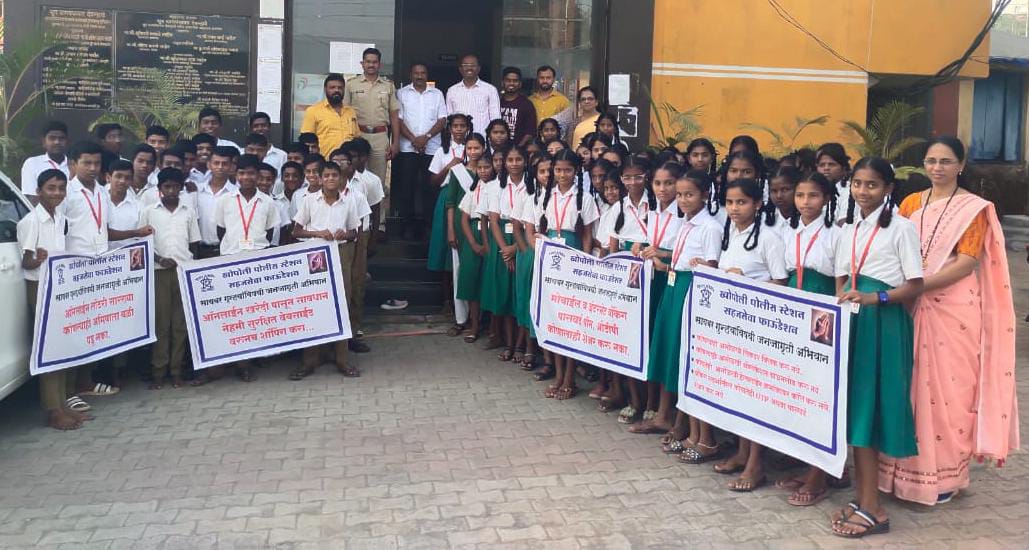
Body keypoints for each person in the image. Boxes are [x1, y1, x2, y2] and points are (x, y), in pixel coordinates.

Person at [879, 136, 1018, 506]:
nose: (937, 168)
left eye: (945, 161)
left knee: (950, 392)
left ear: (961, 165)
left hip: (953, 307)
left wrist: (916, 286)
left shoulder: (973, 208)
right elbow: (892, 247)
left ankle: (944, 477)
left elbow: (966, 262)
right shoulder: (910, 203)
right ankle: (898, 473)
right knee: (908, 385)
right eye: (931, 161)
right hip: (911, 303)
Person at [831, 157, 923, 538]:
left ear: (888, 189)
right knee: (856, 408)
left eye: (871, 185)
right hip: (854, 321)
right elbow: (841, 278)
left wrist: (875, 299)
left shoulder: (901, 228)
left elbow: (915, 284)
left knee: (870, 409)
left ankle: (874, 508)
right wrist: (843, 300)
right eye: (857, 183)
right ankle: (862, 499)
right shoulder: (849, 229)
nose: (862, 191)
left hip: (882, 323)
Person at [773, 171, 846, 505]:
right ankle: (813, 466)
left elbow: (841, 281)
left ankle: (819, 476)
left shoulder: (836, 235)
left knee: (822, 391)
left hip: (822, 309)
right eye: (800, 195)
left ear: (827, 198)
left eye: (813, 195)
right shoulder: (789, 232)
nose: (805, 202)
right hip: (795, 307)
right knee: (800, 388)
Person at [712, 177, 788, 493]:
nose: (734, 208)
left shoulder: (769, 238)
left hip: (759, 325)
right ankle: (742, 453)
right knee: (738, 390)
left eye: (741, 202)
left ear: (757, 204)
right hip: (734, 324)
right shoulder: (730, 233)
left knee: (756, 394)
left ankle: (756, 464)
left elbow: (781, 283)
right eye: (730, 202)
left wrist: (748, 282)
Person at [62, 141, 153, 403]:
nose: (92, 168)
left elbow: (103, 230)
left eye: (96, 163)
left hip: (101, 270)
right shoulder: (66, 193)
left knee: (94, 326)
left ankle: (84, 381)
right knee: (75, 329)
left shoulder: (101, 194)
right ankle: (68, 391)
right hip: (76, 268)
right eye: (86, 163)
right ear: (74, 164)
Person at [646, 170, 722, 456]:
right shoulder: (685, 223)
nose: (683, 200)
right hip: (674, 283)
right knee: (671, 350)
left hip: (691, 288)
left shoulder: (710, 227)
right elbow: (682, 257)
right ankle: (677, 421)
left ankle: (689, 428)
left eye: (689, 194)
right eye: (680, 195)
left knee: (685, 353)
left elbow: (710, 266)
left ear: (705, 195)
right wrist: (663, 259)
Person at [290, 161, 370, 380]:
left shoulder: (348, 202)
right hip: (315, 256)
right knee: (314, 304)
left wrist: (345, 234)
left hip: (340, 254)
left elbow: (354, 232)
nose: (331, 179)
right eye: (326, 175)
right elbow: (296, 231)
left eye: (334, 175)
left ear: (340, 178)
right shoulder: (309, 201)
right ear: (319, 178)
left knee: (341, 304)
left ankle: (342, 358)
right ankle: (310, 360)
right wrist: (317, 233)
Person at [534, 149, 599, 399]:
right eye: (558, 170)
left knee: (571, 321)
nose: (562, 175)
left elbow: (587, 234)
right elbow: (541, 227)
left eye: (568, 170)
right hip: (551, 255)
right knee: (554, 319)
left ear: (576, 171)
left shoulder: (584, 198)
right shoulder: (546, 195)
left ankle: (570, 378)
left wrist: (584, 263)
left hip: (573, 253)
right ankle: (559, 376)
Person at [18, 169, 78, 429]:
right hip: (40, 288)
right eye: (51, 188)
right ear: (39, 191)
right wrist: (38, 259)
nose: (57, 193)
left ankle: (62, 404)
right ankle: (53, 410)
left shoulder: (60, 217)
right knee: (48, 348)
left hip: (58, 287)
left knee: (61, 346)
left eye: (61, 188)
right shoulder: (31, 221)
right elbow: (25, 262)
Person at [628, 162, 685, 435]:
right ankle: (652, 405)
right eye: (658, 183)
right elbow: (649, 242)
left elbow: (688, 255)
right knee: (653, 338)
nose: (663, 189)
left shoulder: (684, 214)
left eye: (669, 183)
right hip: (653, 278)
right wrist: (640, 247)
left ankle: (666, 411)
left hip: (670, 278)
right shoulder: (654, 213)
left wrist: (662, 255)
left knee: (669, 342)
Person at [213, 154, 280, 383]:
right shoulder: (225, 200)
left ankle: (247, 363)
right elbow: (221, 231)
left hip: (256, 263)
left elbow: (268, 233)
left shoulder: (267, 202)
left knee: (253, 314)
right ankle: (234, 359)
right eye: (242, 173)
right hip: (230, 261)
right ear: (235, 174)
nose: (246, 177)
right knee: (233, 313)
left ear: (258, 175)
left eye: (251, 173)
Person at [140, 168, 200, 390]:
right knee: (161, 324)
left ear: (181, 188)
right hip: (159, 272)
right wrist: (159, 259)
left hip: (183, 271)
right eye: (167, 187)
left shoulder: (188, 211)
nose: (172, 191)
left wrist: (190, 267)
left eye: (176, 187)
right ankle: (159, 371)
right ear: (160, 189)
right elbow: (141, 243)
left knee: (180, 325)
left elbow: (194, 243)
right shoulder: (149, 211)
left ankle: (176, 371)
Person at [483, 146, 530, 363]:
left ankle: (522, 345)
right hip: (502, 240)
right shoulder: (496, 186)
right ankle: (508, 343)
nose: (514, 163)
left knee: (520, 295)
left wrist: (516, 248)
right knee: (504, 295)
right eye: (510, 160)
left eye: (518, 159)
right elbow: (493, 220)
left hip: (524, 241)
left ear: (525, 161)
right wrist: (504, 249)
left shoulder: (532, 186)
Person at [346, 47, 399, 226]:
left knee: (378, 182)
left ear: (379, 64)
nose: (371, 65)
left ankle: (378, 224)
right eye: (368, 61)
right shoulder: (351, 85)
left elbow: (394, 115)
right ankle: (356, 223)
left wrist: (395, 142)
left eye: (374, 62)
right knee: (355, 179)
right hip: (357, 136)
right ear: (362, 63)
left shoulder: (388, 86)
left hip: (380, 136)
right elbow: (344, 113)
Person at [395, 62, 448, 240]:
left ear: (427, 75)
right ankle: (407, 225)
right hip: (408, 148)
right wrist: (414, 140)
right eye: (416, 73)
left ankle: (428, 225)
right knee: (407, 188)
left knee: (430, 188)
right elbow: (398, 120)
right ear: (410, 75)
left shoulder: (437, 94)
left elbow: (442, 120)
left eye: (422, 73)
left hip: (431, 149)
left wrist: (426, 137)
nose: (419, 76)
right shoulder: (401, 93)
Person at [457, 152, 495, 344]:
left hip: (492, 233)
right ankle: (474, 325)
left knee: (489, 280)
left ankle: (492, 327)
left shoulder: (497, 188)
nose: (483, 171)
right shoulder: (473, 190)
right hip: (474, 233)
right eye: (479, 168)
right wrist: (472, 243)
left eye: (487, 167)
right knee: (471, 281)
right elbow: (464, 219)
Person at [194, 146, 240, 259]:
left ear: (232, 166)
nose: (220, 167)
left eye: (224, 164)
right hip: (199, 250)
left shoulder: (237, 193)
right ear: (209, 165)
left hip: (227, 250)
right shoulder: (196, 191)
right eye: (216, 163)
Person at [300, 74, 361, 157]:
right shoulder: (313, 111)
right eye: (332, 87)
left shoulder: (350, 112)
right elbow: (306, 141)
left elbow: (357, 137)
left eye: (340, 88)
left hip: (348, 161)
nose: (336, 90)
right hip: (325, 161)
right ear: (325, 89)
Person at [446, 54, 501, 135]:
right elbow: (449, 118)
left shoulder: (490, 90)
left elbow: (495, 118)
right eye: (465, 65)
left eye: (473, 65)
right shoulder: (452, 91)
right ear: (460, 69)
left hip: (482, 138)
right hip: (459, 139)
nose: (469, 68)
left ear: (479, 68)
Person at [20, 121, 70, 204]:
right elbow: (31, 197)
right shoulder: (32, 163)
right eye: (52, 138)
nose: (57, 142)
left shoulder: (74, 165)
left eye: (61, 139)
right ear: (44, 142)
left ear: (67, 142)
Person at [529, 66, 573, 139]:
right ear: (537, 79)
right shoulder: (530, 100)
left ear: (553, 79)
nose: (545, 80)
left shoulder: (563, 101)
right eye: (542, 78)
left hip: (554, 142)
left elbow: (568, 126)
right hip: (534, 142)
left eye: (548, 78)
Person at [499, 67, 538, 147]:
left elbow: (530, 132)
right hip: (497, 149)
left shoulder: (527, 104)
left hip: (518, 150)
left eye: (515, 81)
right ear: (502, 83)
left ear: (520, 84)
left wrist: (518, 148)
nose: (511, 83)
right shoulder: (497, 102)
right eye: (508, 80)